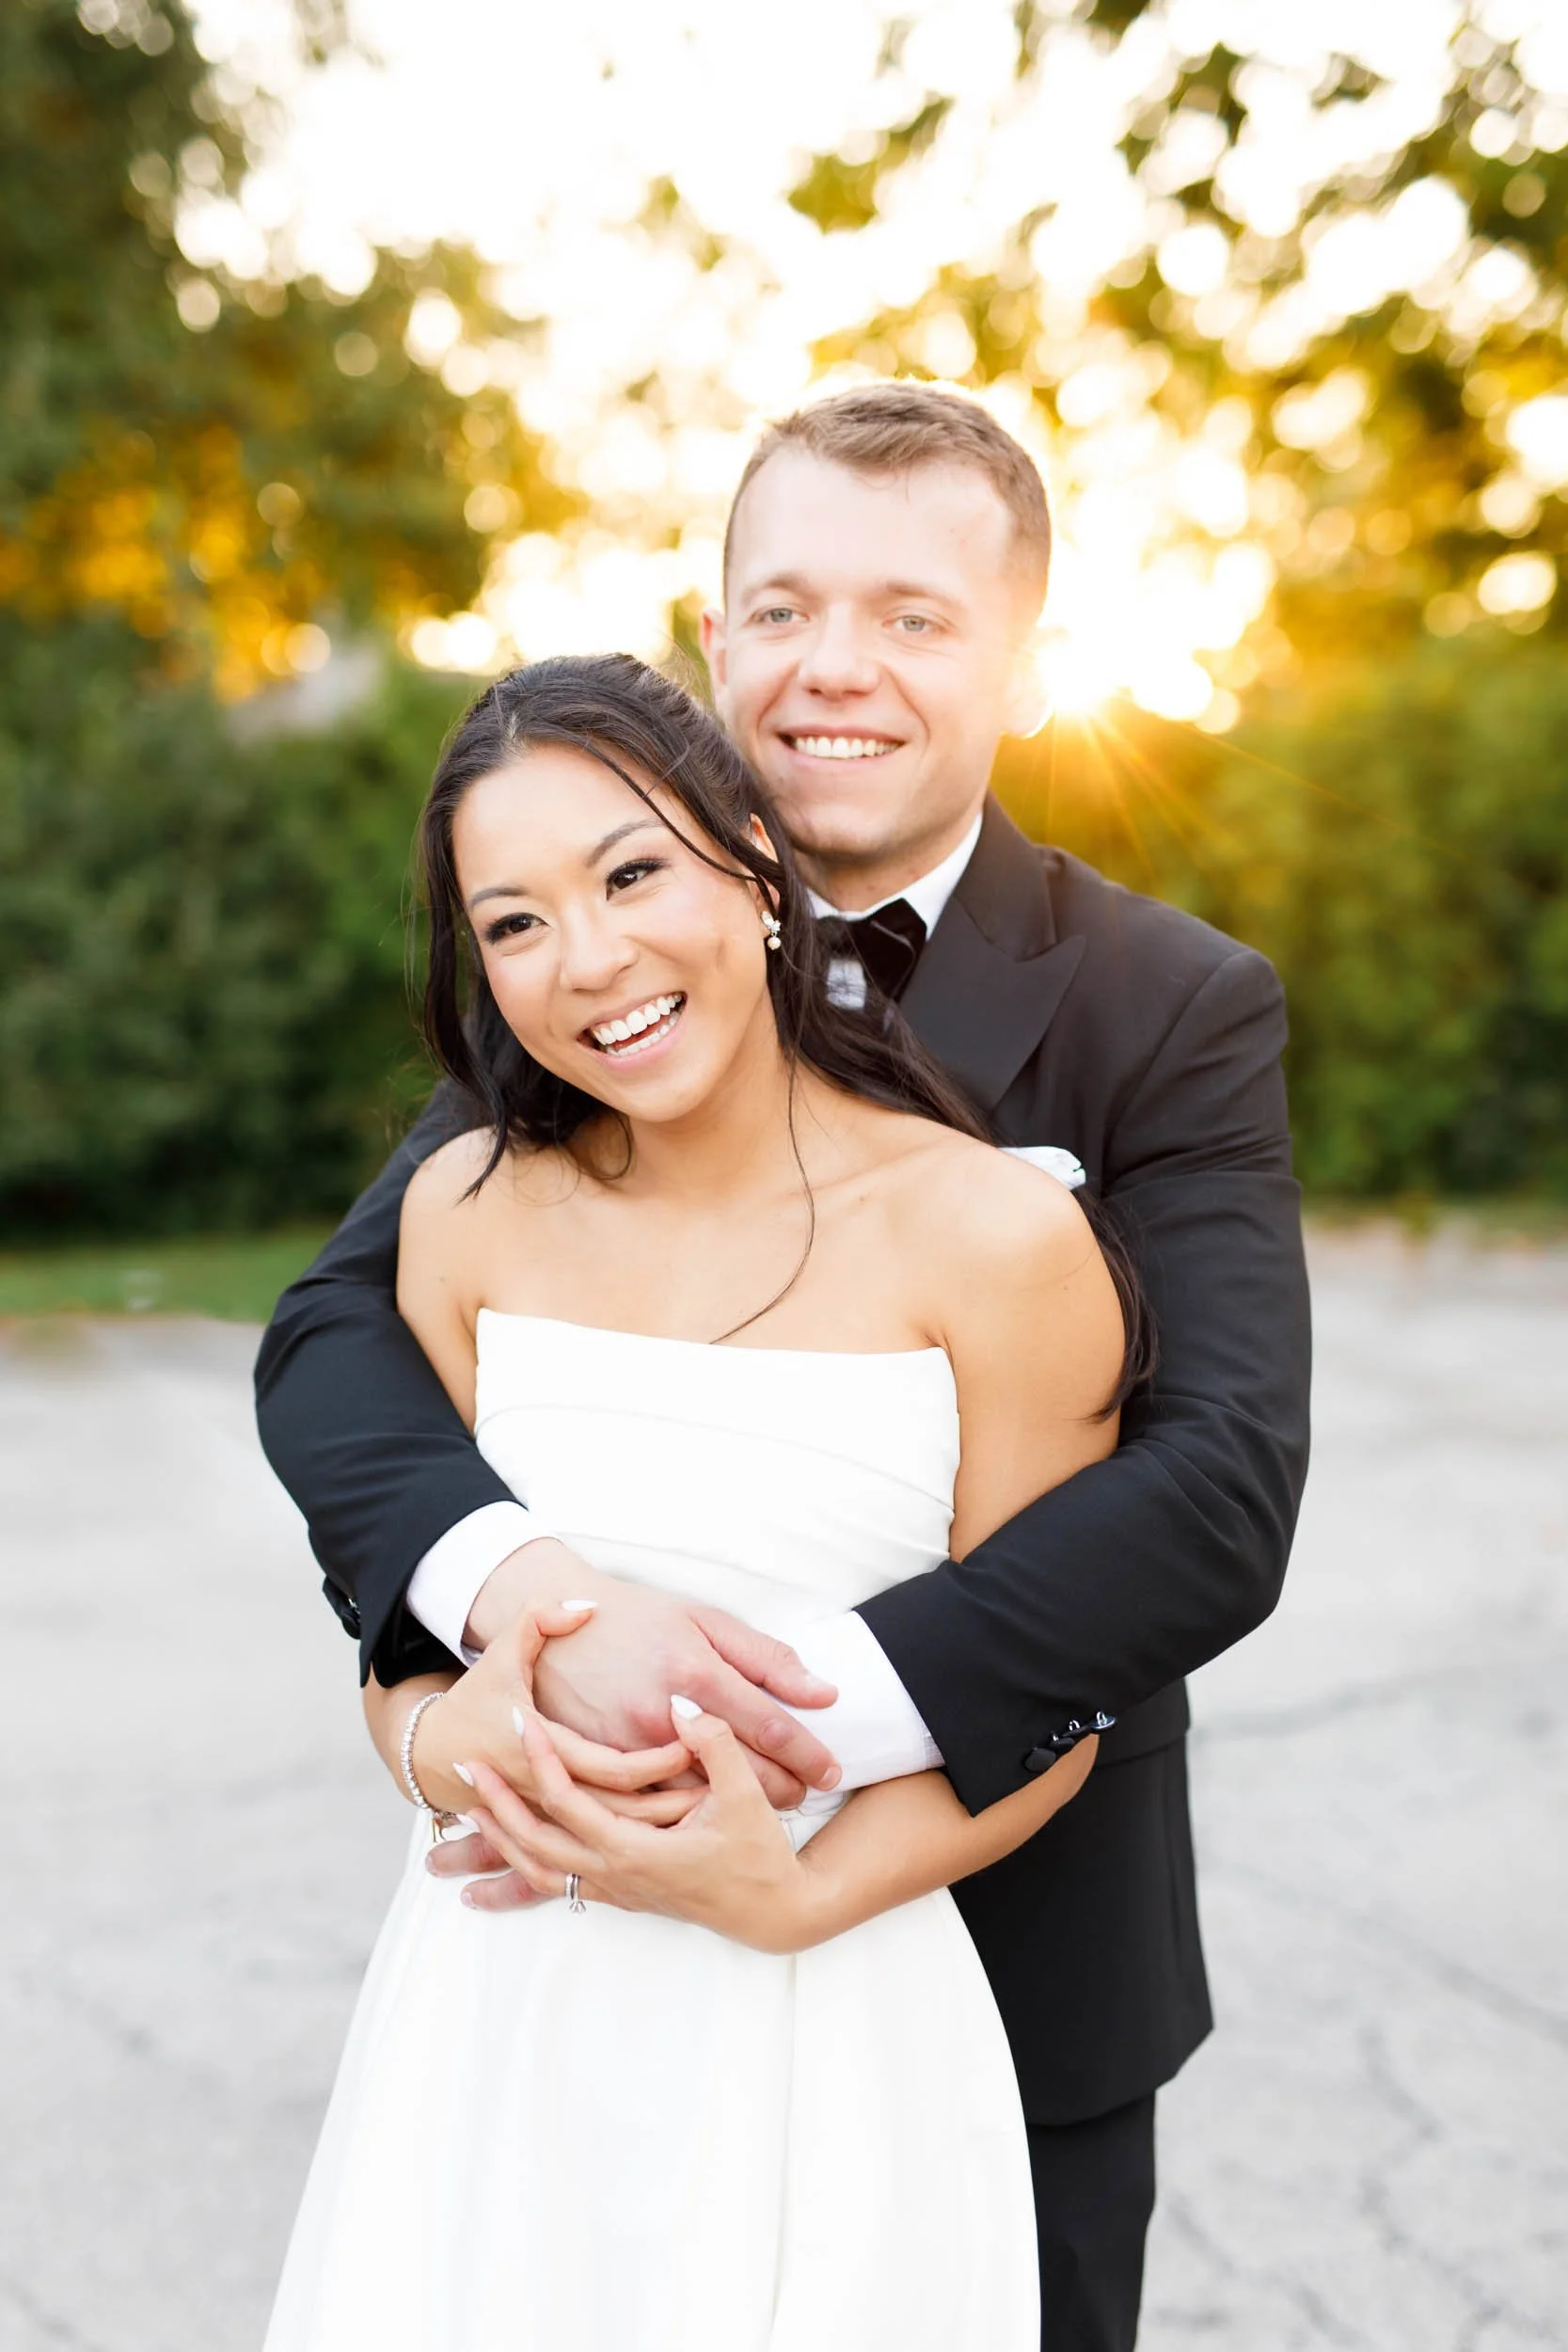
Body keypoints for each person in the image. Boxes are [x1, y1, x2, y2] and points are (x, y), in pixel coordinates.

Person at [257, 382, 1312, 2352]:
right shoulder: (594, 965)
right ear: (714, 634)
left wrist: (768, 1729)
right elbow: (341, 1338)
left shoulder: (1167, 1002)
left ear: (1021, 657)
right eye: (782, 609)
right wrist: (511, 1616)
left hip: (1009, 1934)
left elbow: (1216, 1487)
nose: (834, 667)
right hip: (555, 1961)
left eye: (912, 616)